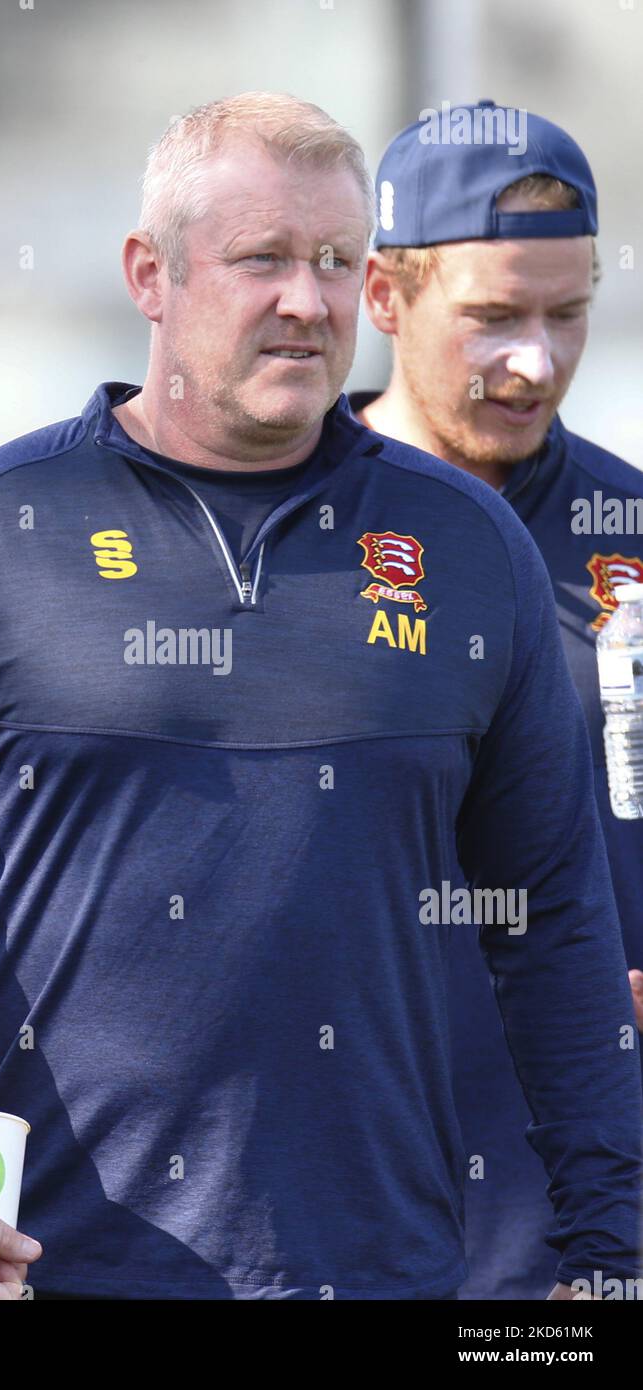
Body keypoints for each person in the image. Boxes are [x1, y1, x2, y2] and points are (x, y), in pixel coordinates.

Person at [0, 92, 642, 1302]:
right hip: (48, 1277)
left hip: (387, 1279)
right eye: (263, 260)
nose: (306, 298)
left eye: (335, 260)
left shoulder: (469, 545)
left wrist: (611, 1256)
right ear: (151, 272)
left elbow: (553, 916)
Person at [351, 99, 643, 1299]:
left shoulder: (628, 537)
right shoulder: (284, 537)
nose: (535, 360)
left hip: (589, 1235)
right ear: (383, 297)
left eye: (566, 315)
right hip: (340, 1220)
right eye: (491, 319)